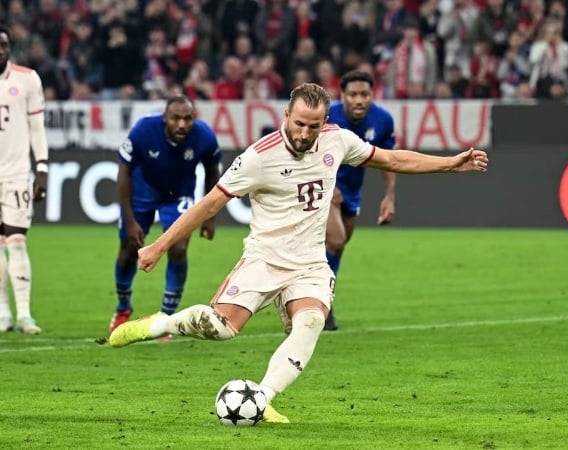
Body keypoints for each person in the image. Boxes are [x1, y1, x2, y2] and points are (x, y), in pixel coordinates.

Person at [109, 83, 488, 423]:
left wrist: (450, 164)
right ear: (286, 116)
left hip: (309, 263)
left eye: (314, 125)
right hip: (265, 259)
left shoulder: (337, 139)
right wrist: (159, 246)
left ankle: (262, 397)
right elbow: (208, 205)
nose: (306, 133)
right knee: (221, 329)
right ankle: (159, 323)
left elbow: (391, 159)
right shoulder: (258, 158)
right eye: (300, 124)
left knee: (309, 324)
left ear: (325, 120)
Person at [109, 95, 222, 335]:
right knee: (129, 249)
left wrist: (209, 217)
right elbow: (123, 172)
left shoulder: (204, 136)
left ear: (194, 119)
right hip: (142, 192)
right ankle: (122, 307)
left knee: (179, 248)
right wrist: (129, 220)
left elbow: (213, 172)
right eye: (176, 119)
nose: (182, 124)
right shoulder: (143, 130)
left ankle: (167, 318)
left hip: (179, 196)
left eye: (187, 119)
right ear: (165, 119)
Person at [324, 70, 397, 331]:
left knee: (337, 248)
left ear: (372, 95)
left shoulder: (383, 120)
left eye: (364, 94)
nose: (359, 100)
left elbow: (389, 160)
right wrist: (326, 185)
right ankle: (322, 307)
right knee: (335, 240)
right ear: (342, 96)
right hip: (324, 186)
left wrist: (389, 196)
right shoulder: (328, 117)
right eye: (353, 94)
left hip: (352, 190)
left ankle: (311, 297)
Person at [0, 24, 48, 334]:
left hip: (17, 174)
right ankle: (3, 314)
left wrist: (42, 168)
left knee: (17, 242)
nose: (0, 50)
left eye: (3, 44)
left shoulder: (27, 78)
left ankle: (25, 315)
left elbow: (37, 128)